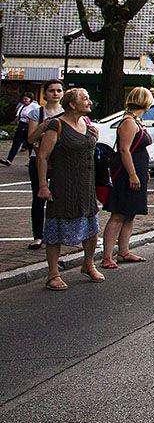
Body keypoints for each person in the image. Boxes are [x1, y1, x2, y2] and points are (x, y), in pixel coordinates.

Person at [36, 88, 103, 290]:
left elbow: (87, 148)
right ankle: (53, 274)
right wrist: (43, 185)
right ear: (72, 104)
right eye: (85, 98)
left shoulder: (87, 123)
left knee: (91, 226)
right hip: (63, 185)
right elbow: (42, 157)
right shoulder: (56, 125)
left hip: (86, 185)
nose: (89, 101)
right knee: (55, 228)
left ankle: (88, 264)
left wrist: (95, 137)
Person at [102, 87, 154, 269]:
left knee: (130, 213)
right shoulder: (129, 122)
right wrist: (132, 174)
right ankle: (107, 255)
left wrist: (142, 171)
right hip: (126, 173)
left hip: (138, 169)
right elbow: (124, 150)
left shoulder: (137, 121)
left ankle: (123, 250)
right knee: (118, 214)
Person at [23, 79, 67, 250]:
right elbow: (30, 138)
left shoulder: (66, 113)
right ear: (45, 94)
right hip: (39, 158)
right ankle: (38, 235)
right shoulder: (37, 113)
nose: (55, 93)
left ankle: (58, 233)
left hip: (59, 160)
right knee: (39, 196)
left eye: (58, 90)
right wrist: (44, 126)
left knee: (59, 197)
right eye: (51, 90)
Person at [1, 91, 37, 166]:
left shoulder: (34, 106)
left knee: (30, 145)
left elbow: (37, 116)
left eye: (26, 99)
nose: (24, 101)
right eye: (23, 99)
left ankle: (31, 161)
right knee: (16, 144)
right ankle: (9, 160)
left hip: (29, 126)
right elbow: (18, 115)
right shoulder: (22, 106)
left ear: (30, 99)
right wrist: (14, 122)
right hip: (21, 125)